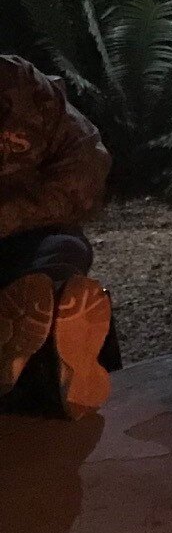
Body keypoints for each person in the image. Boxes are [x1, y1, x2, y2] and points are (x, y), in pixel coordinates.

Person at [0, 55, 114, 418]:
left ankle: (57, 357)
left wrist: (10, 216)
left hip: (25, 235)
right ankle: (59, 377)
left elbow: (86, 164)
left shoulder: (21, 85)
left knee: (58, 259)